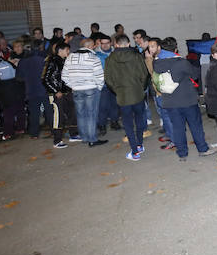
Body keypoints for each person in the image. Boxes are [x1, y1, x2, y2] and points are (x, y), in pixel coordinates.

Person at [154, 37, 216, 162]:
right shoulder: (181, 62)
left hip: (170, 101)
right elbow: (194, 75)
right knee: (195, 126)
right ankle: (203, 149)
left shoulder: (157, 63)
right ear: (175, 48)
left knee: (177, 127)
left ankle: (182, 153)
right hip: (187, 100)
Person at [104, 34, 151, 162]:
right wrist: (140, 87)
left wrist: (117, 90)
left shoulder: (110, 59)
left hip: (122, 96)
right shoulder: (136, 56)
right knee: (140, 119)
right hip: (137, 93)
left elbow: (108, 79)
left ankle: (134, 151)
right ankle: (140, 144)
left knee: (128, 123)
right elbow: (144, 74)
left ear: (116, 45)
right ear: (129, 43)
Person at [61, 38, 107, 147]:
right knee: (91, 114)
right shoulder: (93, 58)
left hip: (77, 90)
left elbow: (64, 76)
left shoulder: (70, 57)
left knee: (80, 114)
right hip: (91, 89)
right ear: (90, 46)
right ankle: (92, 139)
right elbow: (100, 76)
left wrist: (73, 86)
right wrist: (99, 87)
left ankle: (85, 137)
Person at [42, 42, 80, 148]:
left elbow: (64, 78)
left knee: (72, 113)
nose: (69, 52)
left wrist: (70, 88)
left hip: (67, 92)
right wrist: (55, 91)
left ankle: (74, 134)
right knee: (58, 116)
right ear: (60, 51)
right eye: (67, 50)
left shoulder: (64, 61)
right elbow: (45, 79)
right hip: (57, 94)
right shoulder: (52, 62)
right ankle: (57, 140)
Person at [15, 40, 50, 139]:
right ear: (40, 47)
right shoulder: (43, 59)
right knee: (49, 111)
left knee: (34, 113)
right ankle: (54, 131)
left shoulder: (22, 61)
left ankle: (34, 134)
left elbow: (19, 78)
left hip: (30, 90)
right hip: (44, 89)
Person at [94, 35, 120, 135]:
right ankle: (102, 125)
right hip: (103, 85)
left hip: (115, 84)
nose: (105, 45)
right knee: (103, 106)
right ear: (100, 43)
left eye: (107, 43)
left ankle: (114, 122)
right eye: (103, 43)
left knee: (115, 104)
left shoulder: (116, 53)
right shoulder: (96, 55)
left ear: (111, 43)